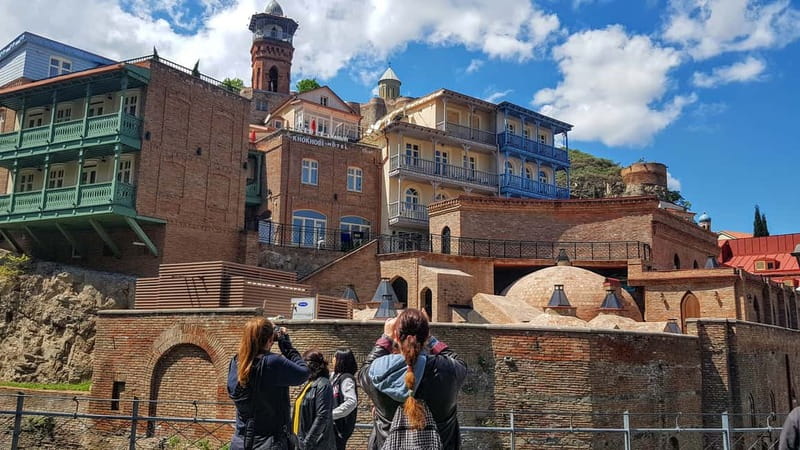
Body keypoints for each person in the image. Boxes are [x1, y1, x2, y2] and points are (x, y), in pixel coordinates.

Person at [358, 308, 467, 449]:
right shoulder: (446, 370)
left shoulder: (376, 372)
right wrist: (431, 339)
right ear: (426, 335)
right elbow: (460, 364)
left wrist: (385, 338)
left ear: (396, 336)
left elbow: (363, 372)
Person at [227, 317, 309, 450]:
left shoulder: (236, 362)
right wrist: (286, 346)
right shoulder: (272, 363)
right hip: (269, 442)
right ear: (270, 339)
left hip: (241, 441)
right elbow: (304, 373)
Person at [293, 350, 336, 449]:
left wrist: (307, 443)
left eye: (304, 364)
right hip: (300, 441)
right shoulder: (310, 384)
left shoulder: (323, 385)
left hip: (314, 445)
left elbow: (322, 417)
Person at [331, 348, 359, 450]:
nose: (332, 360)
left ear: (340, 360)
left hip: (338, 429)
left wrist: (331, 414)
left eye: (335, 357)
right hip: (332, 428)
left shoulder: (346, 379)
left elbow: (351, 402)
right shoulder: (335, 377)